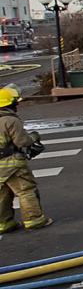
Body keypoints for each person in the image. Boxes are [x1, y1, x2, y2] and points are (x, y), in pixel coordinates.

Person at [0, 84, 50, 233]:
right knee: (25, 190)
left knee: (2, 194)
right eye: (16, 102)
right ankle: (34, 220)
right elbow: (22, 142)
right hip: (11, 163)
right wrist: (34, 137)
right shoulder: (10, 120)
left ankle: (4, 224)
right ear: (10, 103)